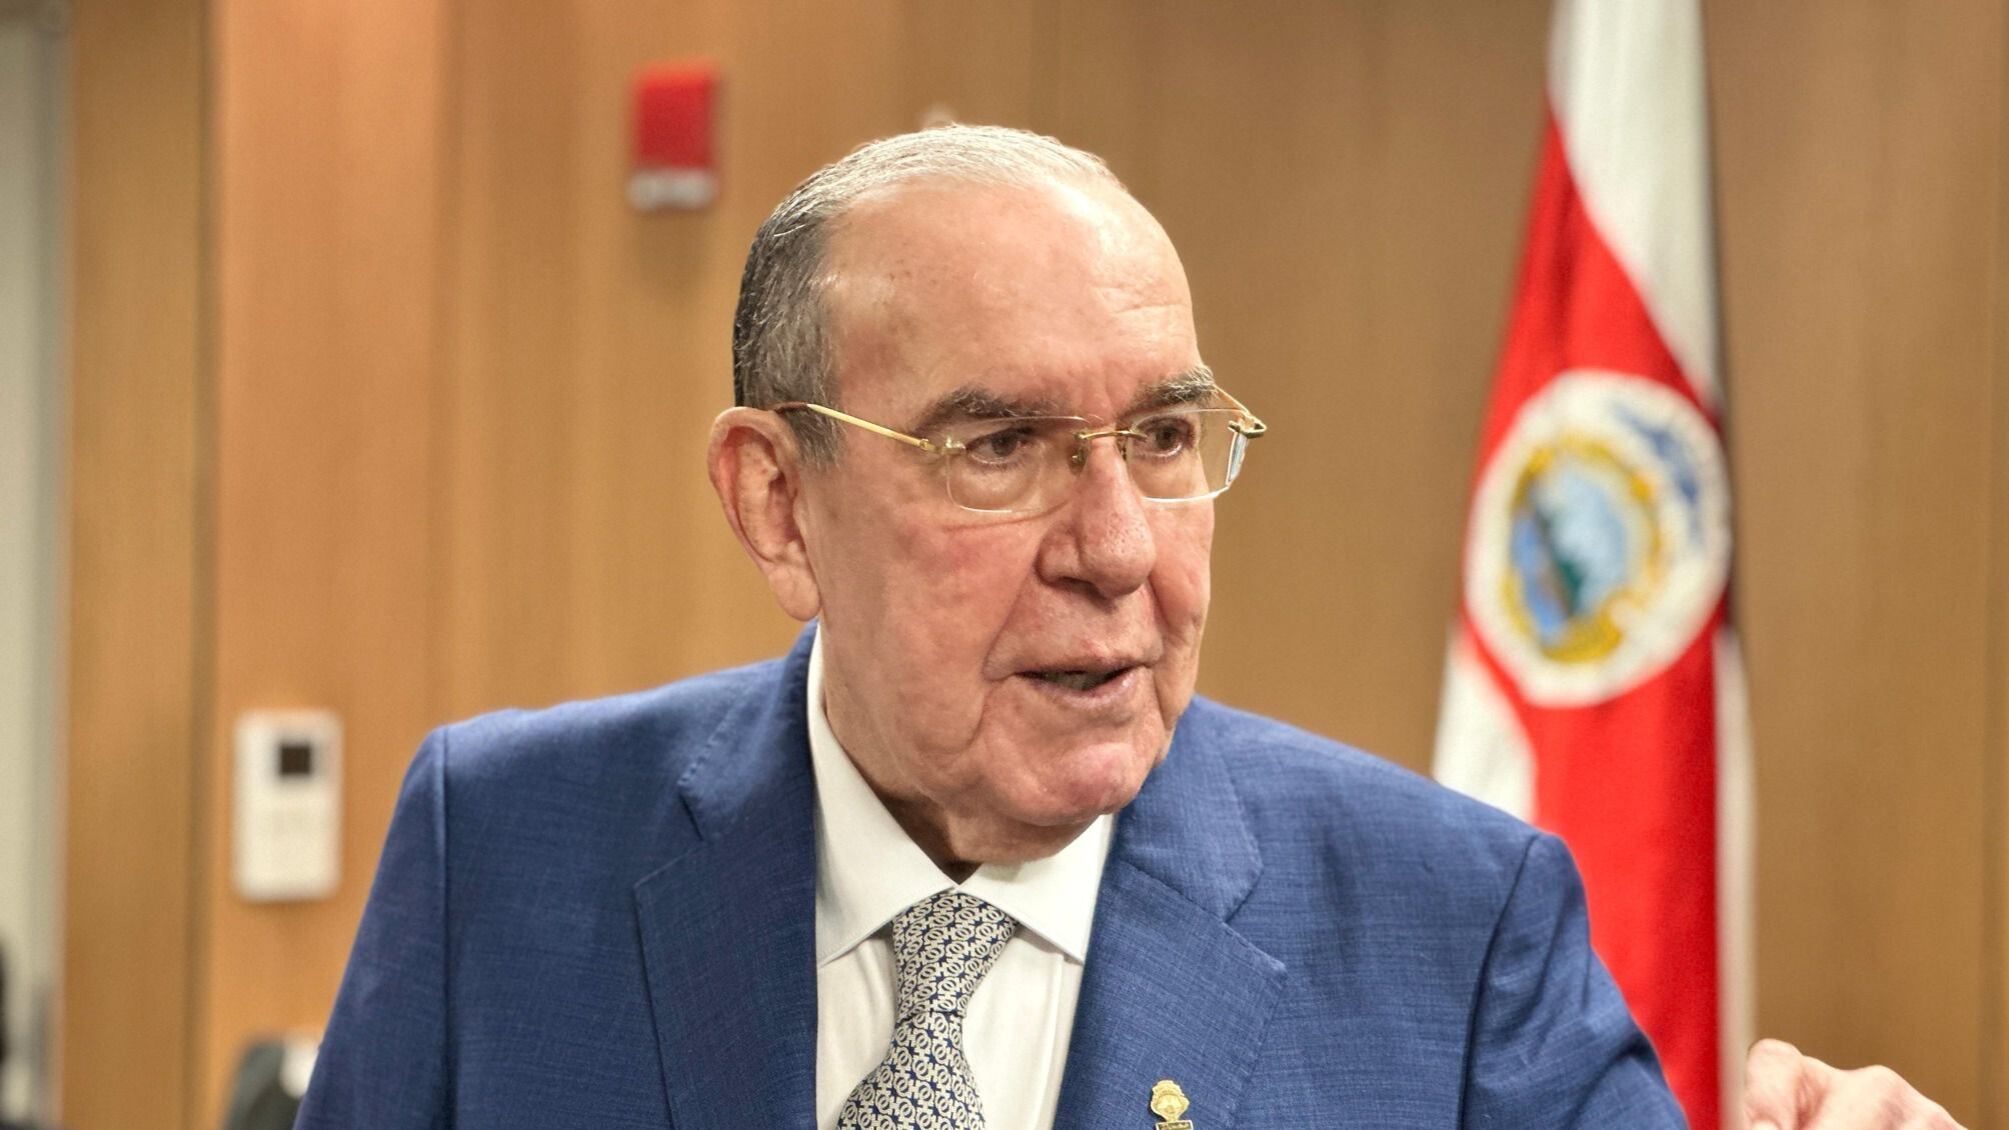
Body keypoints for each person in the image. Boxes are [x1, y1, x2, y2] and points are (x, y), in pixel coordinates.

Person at [296, 126, 1958, 1129]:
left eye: (1162, 437)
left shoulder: (1450, 928)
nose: (1115, 548)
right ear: (778, 503)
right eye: (997, 446)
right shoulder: (498, 850)